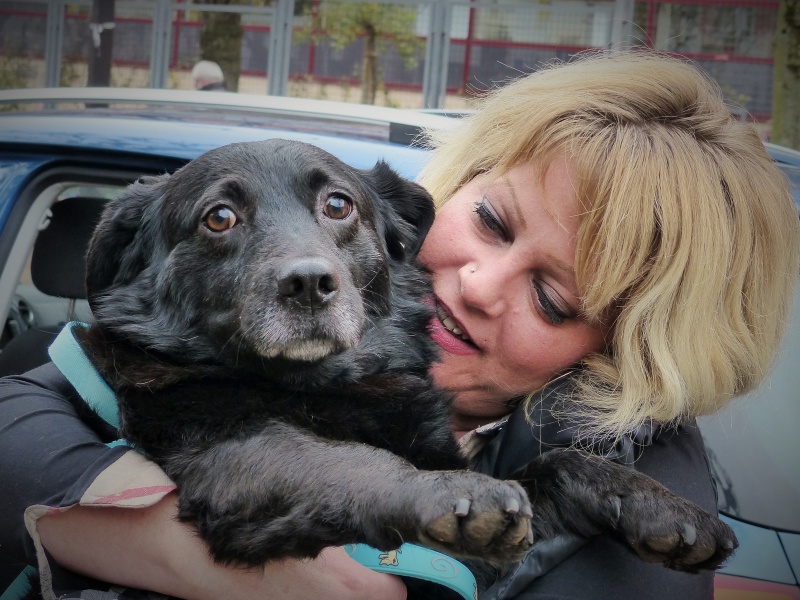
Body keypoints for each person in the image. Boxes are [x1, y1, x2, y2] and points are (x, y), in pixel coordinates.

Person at [1, 51, 798, 600]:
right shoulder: (154, 369)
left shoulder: (656, 498)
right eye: (490, 221)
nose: (479, 285)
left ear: (630, 349)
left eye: (553, 300)